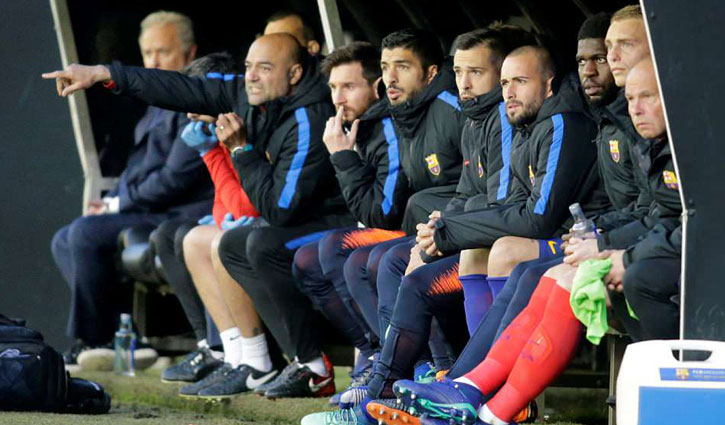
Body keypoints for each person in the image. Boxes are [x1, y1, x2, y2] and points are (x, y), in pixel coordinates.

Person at [390, 56, 679, 425]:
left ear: (548, 84)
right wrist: (447, 225)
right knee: (531, 273)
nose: (635, 108)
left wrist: (613, 247)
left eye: (647, 97)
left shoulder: (564, 124)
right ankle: (466, 388)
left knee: (539, 271)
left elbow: (538, 217)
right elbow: (648, 214)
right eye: (632, 98)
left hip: (654, 261)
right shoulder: (515, 125)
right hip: (619, 243)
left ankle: (477, 398)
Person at [47, 11, 213, 371]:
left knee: (84, 234)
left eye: (163, 52)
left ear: (189, 53)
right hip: (148, 210)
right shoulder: (153, 105)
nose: (154, 61)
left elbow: (174, 179)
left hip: (180, 212)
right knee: (63, 240)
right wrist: (109, 202)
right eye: (148, 53)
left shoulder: (194, 101)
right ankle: (124, 338)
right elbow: (136, 168)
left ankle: (95, 340)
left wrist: (116, 206)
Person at [291, 41, 410, 403]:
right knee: (305, 261)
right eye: (333, 87)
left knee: (335, 248)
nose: (338, 98)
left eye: (348, 86)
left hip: (409, 230)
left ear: (376, 87)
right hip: (380, 229)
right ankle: (370, 353)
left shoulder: (387, 126)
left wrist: (343, 158)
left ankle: (386, 359)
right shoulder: (358, 125)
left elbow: (383, 213)